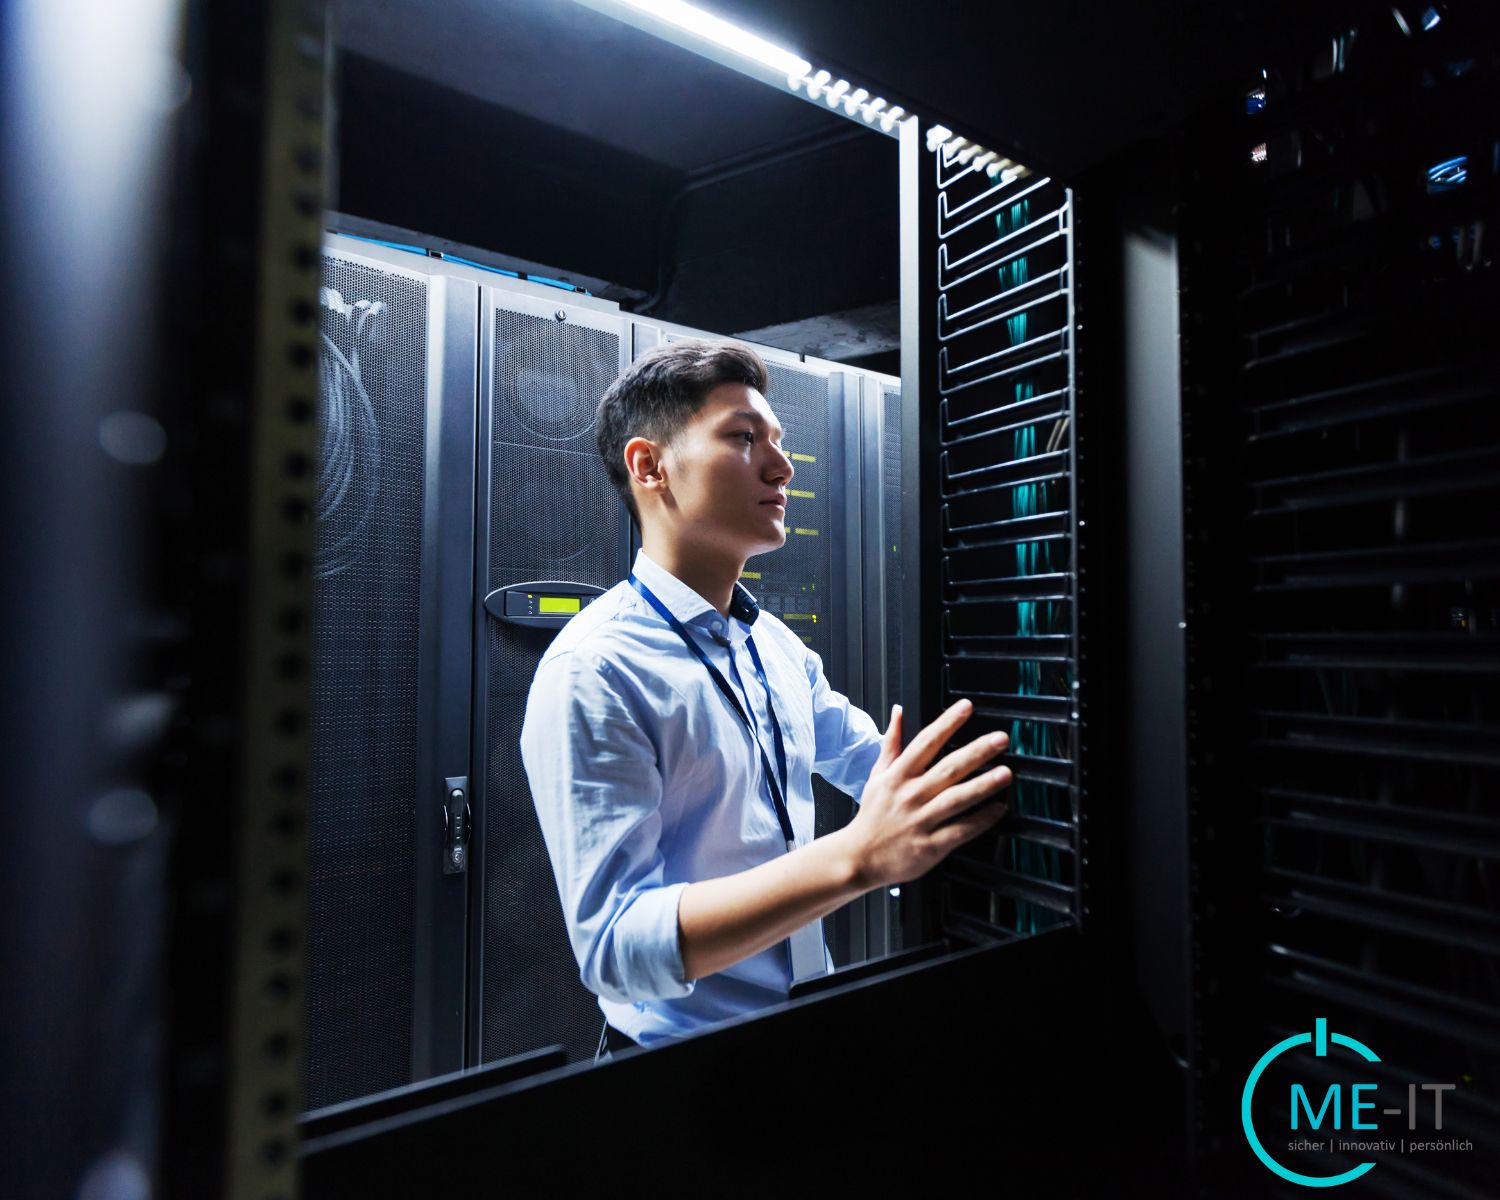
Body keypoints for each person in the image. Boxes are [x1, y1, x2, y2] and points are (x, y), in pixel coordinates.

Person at [518, 338, 1013, 1057]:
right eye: (744, 438)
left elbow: (881, 769)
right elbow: (616, 947)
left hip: (811, 1027)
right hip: (682, 1066)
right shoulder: (595, 669)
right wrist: (856, 857)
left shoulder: (774, 646)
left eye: (777, 441)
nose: (782, 466)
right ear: (649, 466)